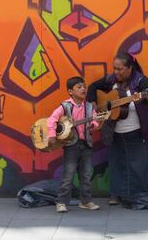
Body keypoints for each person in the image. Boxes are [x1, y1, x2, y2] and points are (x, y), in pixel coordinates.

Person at [87, 52, 148, 209]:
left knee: (139, 165)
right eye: (114, 68)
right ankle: (116, 195)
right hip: (115, 131)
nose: (116, 72)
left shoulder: (141, 81)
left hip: (138, 130)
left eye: (120, 69)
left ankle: (138, 196)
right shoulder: (111, 80)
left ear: (130, 68)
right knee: (117, 164)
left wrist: (143, 96)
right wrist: (95, 104)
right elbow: (93, 87)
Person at [47, 76, 101, 213]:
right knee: (68, 175)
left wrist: (95, 125)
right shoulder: (65, 106)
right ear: (71, 91)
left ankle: (86, 201)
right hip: (71, 145)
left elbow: (94, 122)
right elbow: (52, 119)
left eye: (84, 87)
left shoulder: (89, 107)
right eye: (79, 87)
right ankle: (61, 202)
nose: (83, 89)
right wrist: (52, 135)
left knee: (86, 175)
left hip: (86, 144)